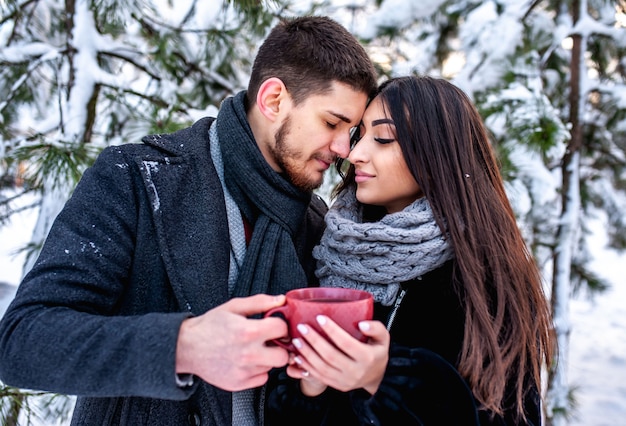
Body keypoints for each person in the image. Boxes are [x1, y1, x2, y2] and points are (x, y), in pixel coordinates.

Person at [0, 16, 378, 426]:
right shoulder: (137, 178)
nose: (343, 148)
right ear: (273, 100)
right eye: (331, 123)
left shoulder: (316, 225)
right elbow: (22, 340)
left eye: (352, 131)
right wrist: (182, 347)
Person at [265, 75, 556, 425]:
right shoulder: (332, 248)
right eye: (360, 136)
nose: (355, 153)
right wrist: (308, 390)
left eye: (383, 138)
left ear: (438, 156)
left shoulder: (481, 279)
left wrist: (386, 381)